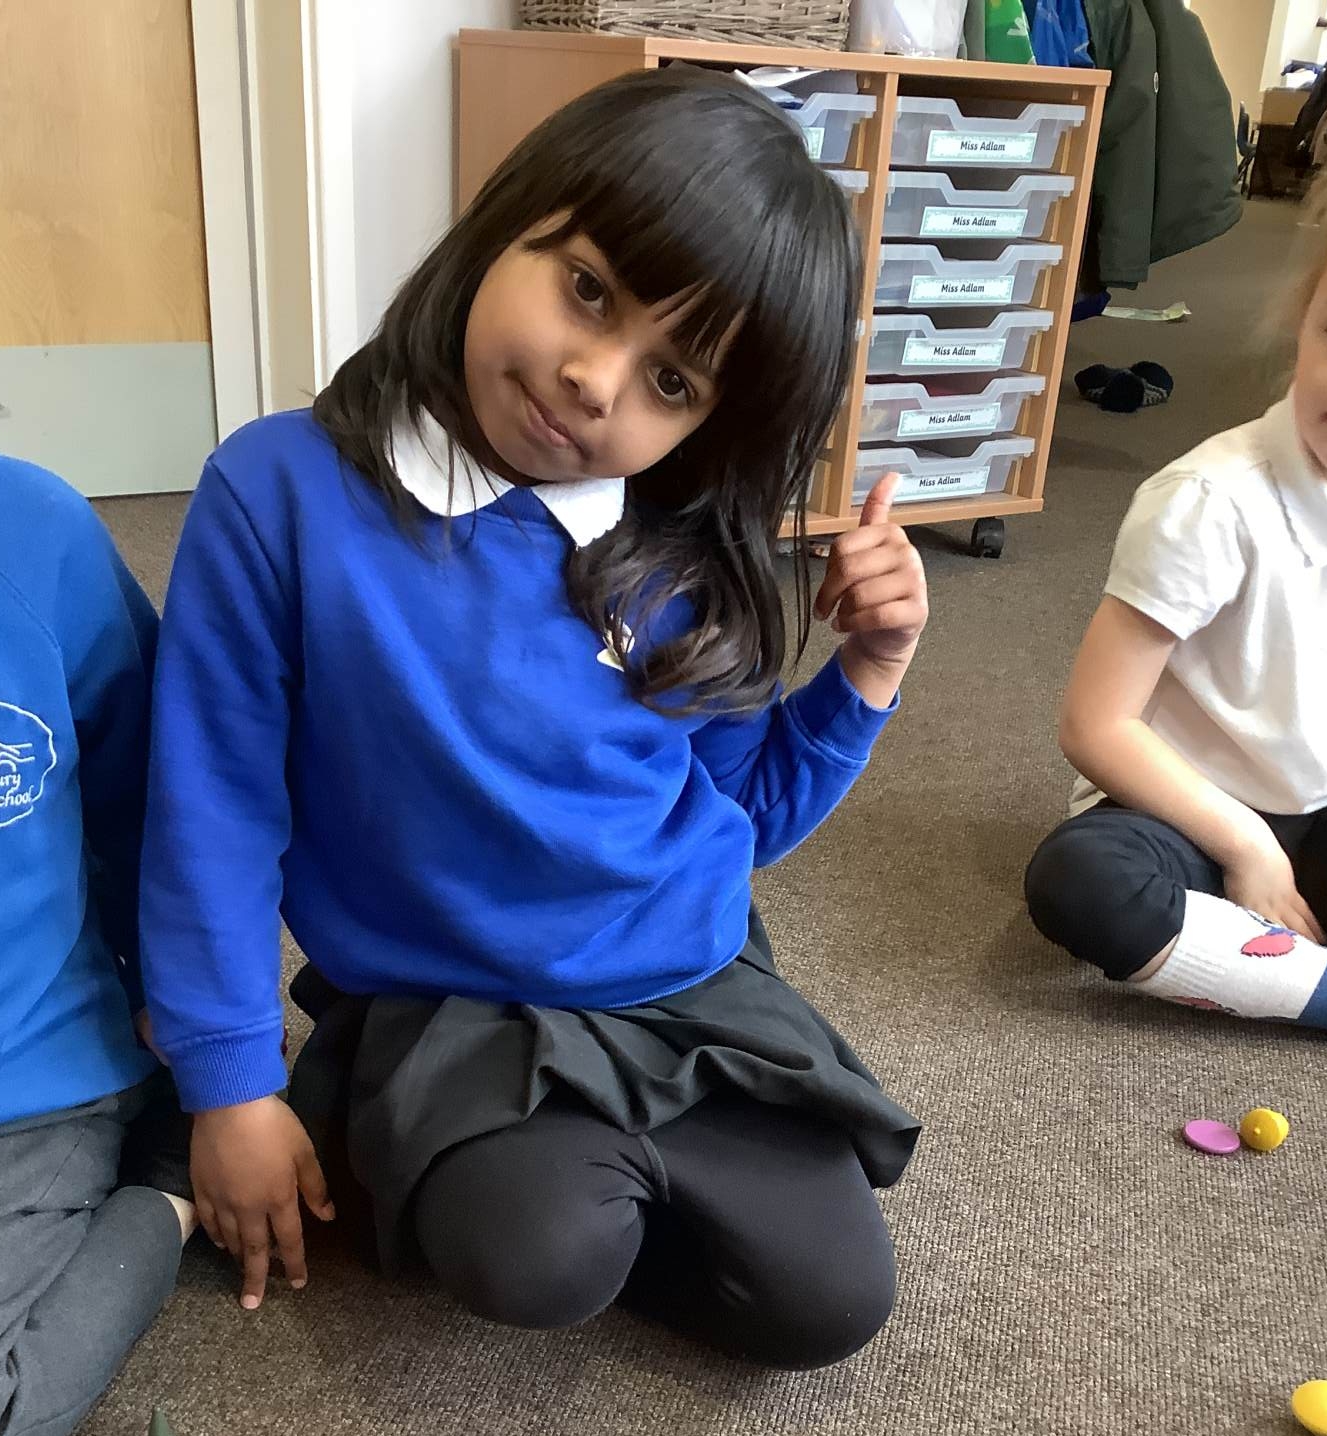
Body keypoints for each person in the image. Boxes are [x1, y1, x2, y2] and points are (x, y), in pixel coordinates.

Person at [142, 68, 927, 1369]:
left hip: (682, 979)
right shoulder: (277, 490)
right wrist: (229, 1087)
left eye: (671, 379)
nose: (592, 378)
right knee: (542, 1259)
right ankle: (495, 1154)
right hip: (451, 1001)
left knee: (829, 1304)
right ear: (504, 222)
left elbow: (742, 819)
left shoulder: (679, 547)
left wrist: (870, 671)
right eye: (588, 290)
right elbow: (210, 810)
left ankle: (575, 1157)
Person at [0, 89, 194, 1436]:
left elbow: (162, 798)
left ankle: (159, 1187)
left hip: (20, 1087)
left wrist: (195, 1030)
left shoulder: (29, 533)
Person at [1025, 148, 1327, 1042]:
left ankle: (1273, 960)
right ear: (1302, 320)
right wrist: (1247, 845)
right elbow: (1096, 726)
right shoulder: (1211, 501)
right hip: (1186, 813)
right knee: (1082, 882)